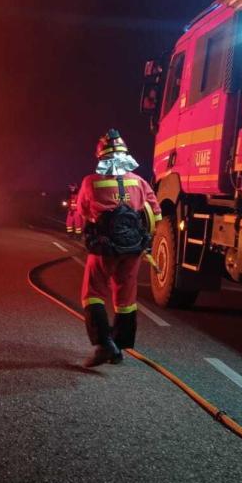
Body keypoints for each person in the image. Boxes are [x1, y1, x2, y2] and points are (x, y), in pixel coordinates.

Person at [76, 128, 161, 367]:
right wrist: (144, 239)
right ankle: (120, 345)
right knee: (126, 296)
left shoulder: (91, 182)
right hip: (133, 247)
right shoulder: (140, 181)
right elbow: (155, 212)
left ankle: (103, 344)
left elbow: (83, 211)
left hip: (104, 248)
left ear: (101, 155)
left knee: (93, 293)